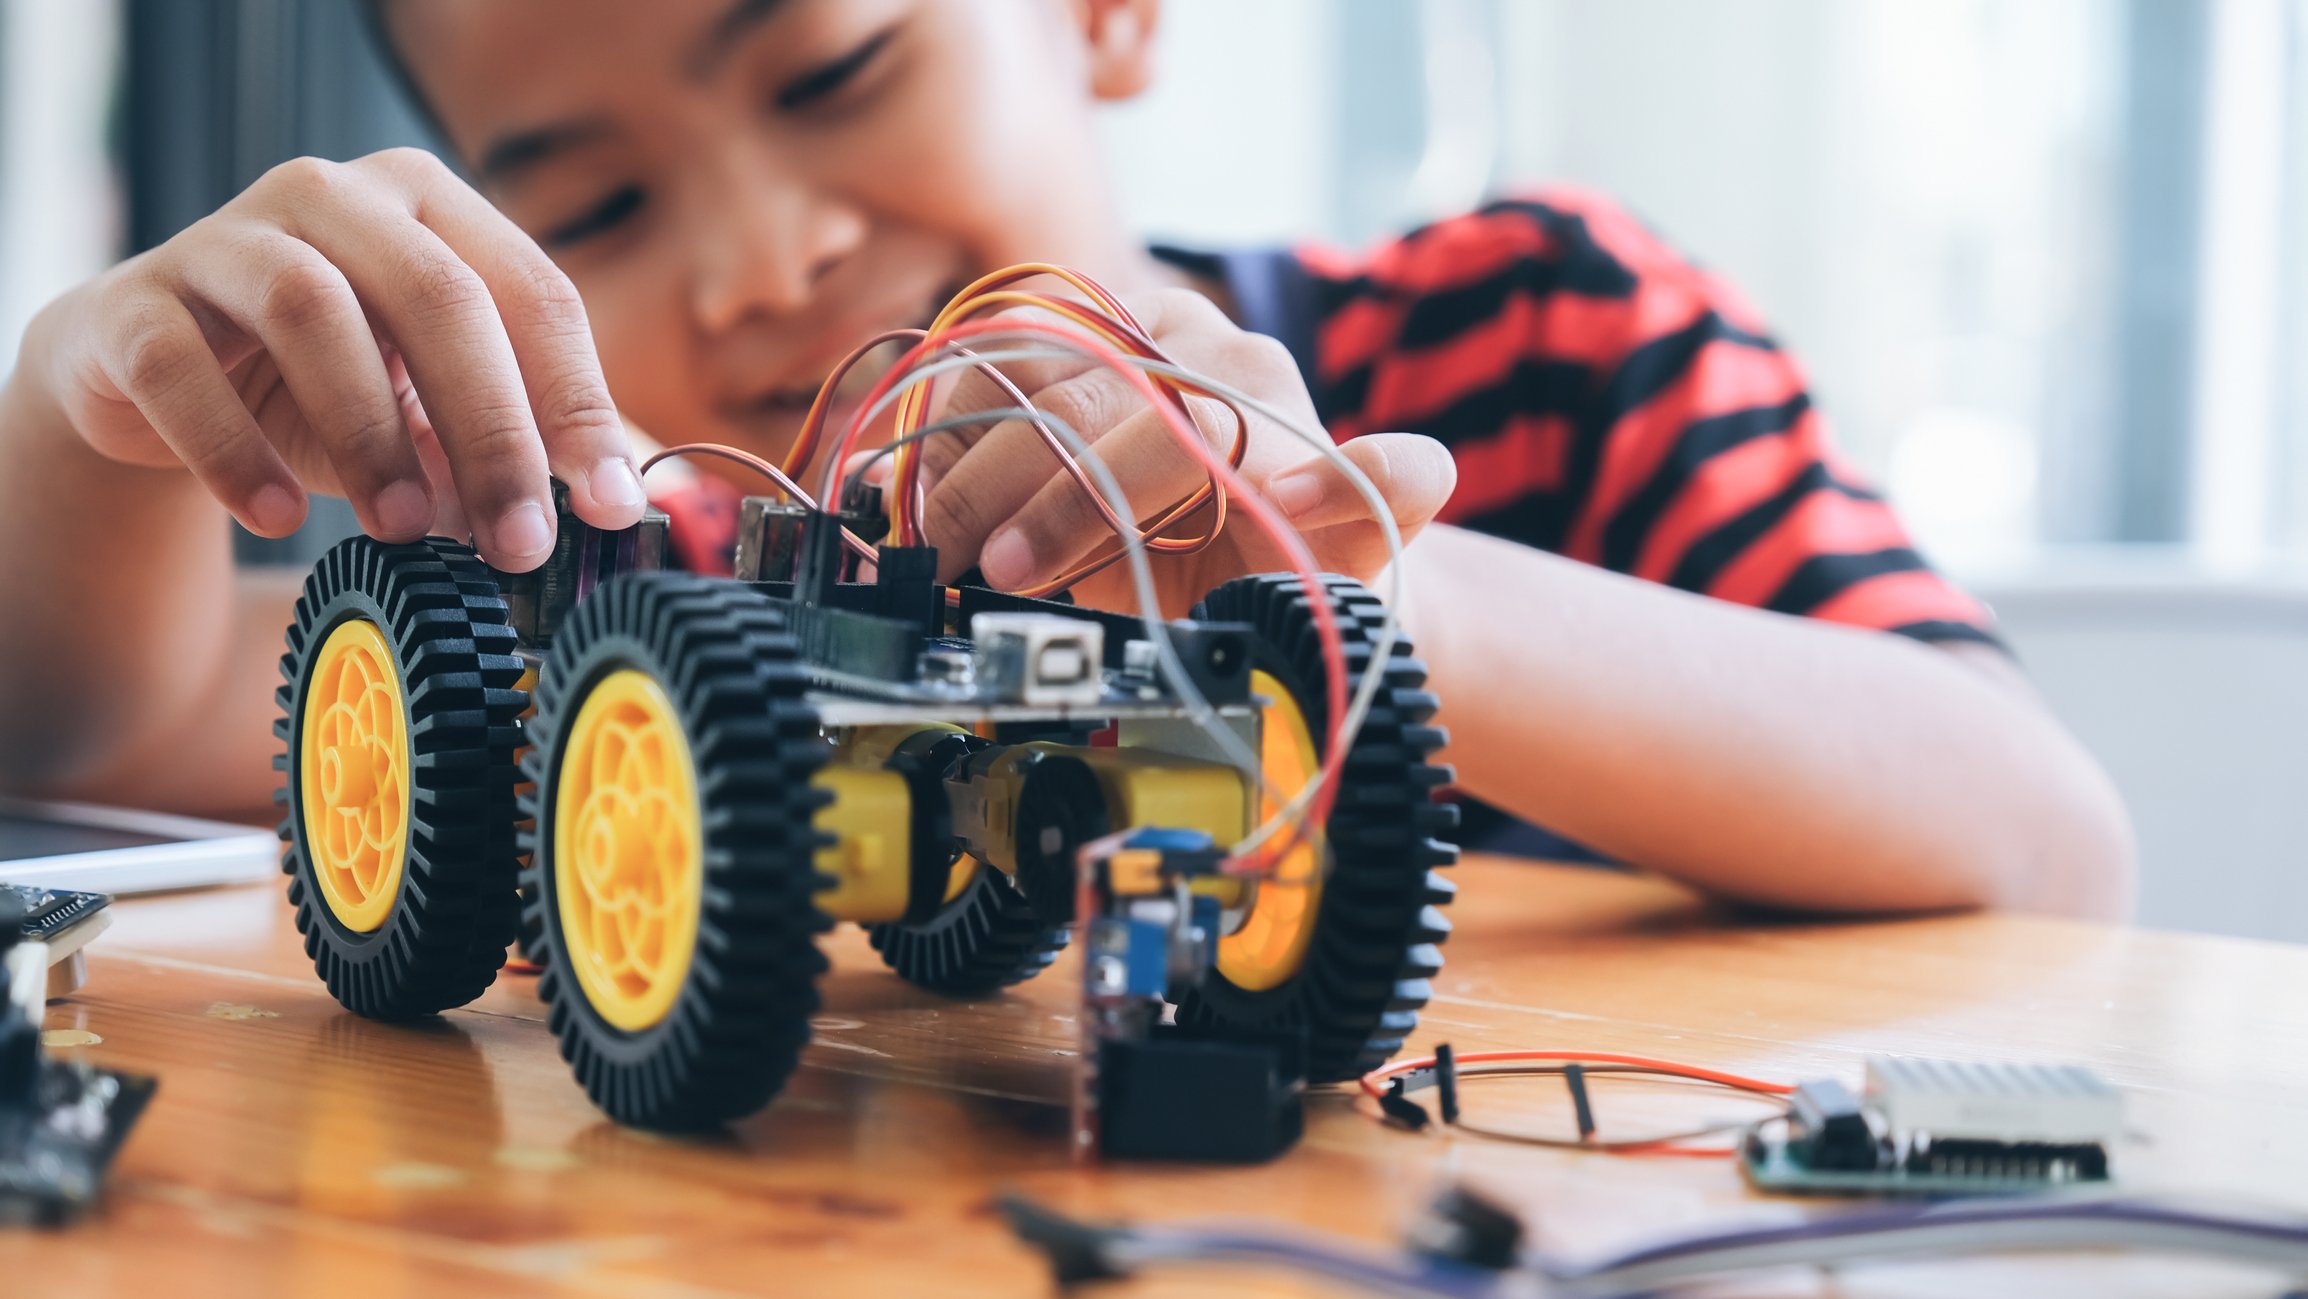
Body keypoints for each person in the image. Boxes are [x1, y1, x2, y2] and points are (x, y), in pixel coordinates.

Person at [0, 0, 2131, 916]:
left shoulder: (1542, 339)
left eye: (832, 65)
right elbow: (90, 721)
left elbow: (2039, 844)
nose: (760, 264)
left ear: (1101, 13)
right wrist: (69, 416)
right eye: (600, 206)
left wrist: (1335, 572)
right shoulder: (667, 566)